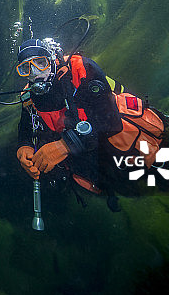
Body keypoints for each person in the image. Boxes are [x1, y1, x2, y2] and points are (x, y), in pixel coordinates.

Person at [14, 37, 126, 209]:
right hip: (85, 171)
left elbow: (111, 122)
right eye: (25, 68)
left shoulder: (83, 71)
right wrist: (24, 146)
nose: (35, 73)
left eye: (40, 63)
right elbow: (27, 126)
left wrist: (65, 146)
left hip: (120, 155)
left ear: (51, 60)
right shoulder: (29, 96)